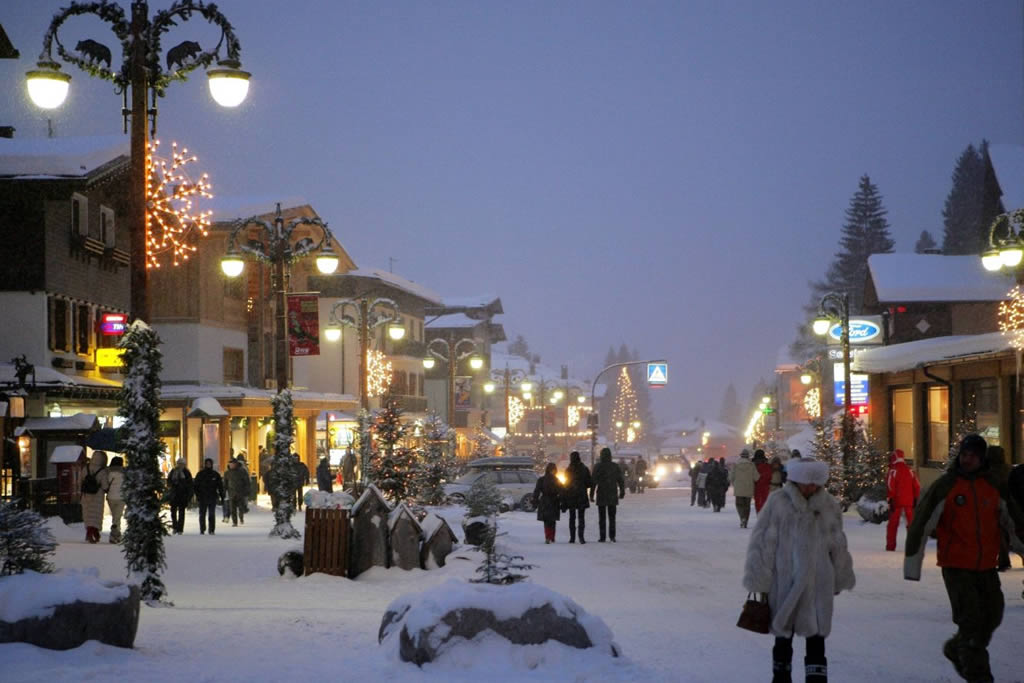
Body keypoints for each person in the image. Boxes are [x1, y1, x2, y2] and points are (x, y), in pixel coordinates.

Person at [905, 434, 1024, 683]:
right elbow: (922, 522)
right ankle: (978, 674)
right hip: (956, 565)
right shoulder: (947, 486)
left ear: (982, 459)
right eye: (965, 454)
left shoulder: (993, 486)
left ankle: (956, 647)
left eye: (973, 455)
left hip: (986, 565)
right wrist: (912, 563)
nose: (968, 459)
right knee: (971, 620)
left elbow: (1013, 522)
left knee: (993, 613)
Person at [744, 457, 855, 683]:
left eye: (815, 483)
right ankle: (781, 678)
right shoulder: (777, 503)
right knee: (783, 638)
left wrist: (840, 576)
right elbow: (762, 543)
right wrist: (759, 581)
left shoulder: (829, 505)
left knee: (816, 640)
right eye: (806, 482)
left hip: (818, 583)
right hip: (785, 583)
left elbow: (838, 543)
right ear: (795, 481)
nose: (811, 487)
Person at [885, 449, 920, 552]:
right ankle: (913, 546)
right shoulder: (910, 470)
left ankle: (891, 547)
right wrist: (915, 498)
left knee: (893, 525)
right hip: (909, 501)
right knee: (911, 525)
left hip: (897, 501)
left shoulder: (893, 470)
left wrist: (890, 498)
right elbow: (917, 485)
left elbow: (890, 485)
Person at [591, 447, 625, 542]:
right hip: (612, 493)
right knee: (612, 517)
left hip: (601, 493)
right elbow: (620, 480)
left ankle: (602, 536)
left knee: (602, 517)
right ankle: (612, 536)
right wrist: (622, 491)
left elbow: (593, 482)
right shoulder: (615, 466)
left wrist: (591, 494)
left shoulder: (598, 467)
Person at [562, 451, 592, 544]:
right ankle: (581, 537)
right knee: (581, 517)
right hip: (581, 495)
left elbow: (565, 483)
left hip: (571, 495)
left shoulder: (568, 469)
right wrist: (582, 486)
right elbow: (589, 483)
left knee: (572, 517)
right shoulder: (584, 469)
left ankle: (572, 537)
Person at [81, 450, 108, 543]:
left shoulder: (85, 468)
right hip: (97, 495)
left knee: (88, 513)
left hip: (85, 495)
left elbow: (81, 480)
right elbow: (105, 486)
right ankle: (93, 532)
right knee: (96, 514)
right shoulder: (102, 471)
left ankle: (90, 532)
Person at [532, 462, 563, 543]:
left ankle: (548, 536)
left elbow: (537, 491)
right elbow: (562, 491)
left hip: (545, 501)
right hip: (554, 501)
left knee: (546, 521)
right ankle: (552, 536)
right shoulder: (556, 480)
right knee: (552, 521)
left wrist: (535, 501)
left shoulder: (541, 480)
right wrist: (562, 501)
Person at [193, 458, 224, 535]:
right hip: (202, 497)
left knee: (211, 514)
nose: (208, 465)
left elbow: (220, 486)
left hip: (212, 497)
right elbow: (196, 486)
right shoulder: (200, 474)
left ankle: (211, 529)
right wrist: (197, 495)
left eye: (209, 464)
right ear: (205, 464)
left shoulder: (215, 475)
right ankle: (202, 529)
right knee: (202, 514)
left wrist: (222, 496)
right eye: (207, 464)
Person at [730, 449, 759, 528]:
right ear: (748, 456)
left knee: (739, 505)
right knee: (747, 506)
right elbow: (756, 477)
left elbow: (731, 477)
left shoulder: (736, 465)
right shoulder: (751, 465)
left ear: (741, 456)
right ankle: (745, 519)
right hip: (749, 489)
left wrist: (733, 482)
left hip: (739, 489)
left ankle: (742, 518)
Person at [166, 458, 194, 534]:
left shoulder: (187, 472)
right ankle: (175, 526)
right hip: (174, 494)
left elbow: (189, 484)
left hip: (183, 495)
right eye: (179, 463)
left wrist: (188, 494)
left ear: (184, 465)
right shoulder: (173, 471)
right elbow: (168, 481)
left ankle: (180, 529)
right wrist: (172, 484)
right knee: (173, 512)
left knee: (181, 512)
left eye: (182, 464)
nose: (180, 465)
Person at [105, 455, 125, 543]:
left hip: (110, 497)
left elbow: (105, 484)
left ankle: (115, 533)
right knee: (117, 517)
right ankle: (115, 535)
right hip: (121, 497)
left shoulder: (107, 472)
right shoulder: (124, 473)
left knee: (115, 516)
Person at [224, 457, 250, 526]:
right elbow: (225, 483)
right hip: (231, 493)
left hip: (240, 492)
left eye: (232, 463)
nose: (231, 465)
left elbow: (246, 481)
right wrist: (224, 491)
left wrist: (247, 490)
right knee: (232, 508)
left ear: (236, 464)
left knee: (241, 507)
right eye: (230, 464)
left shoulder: (242, 471)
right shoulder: (227, 473)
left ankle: (241, 518)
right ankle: (234, 522)